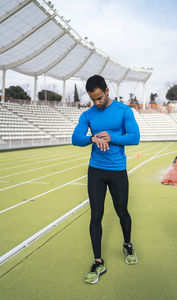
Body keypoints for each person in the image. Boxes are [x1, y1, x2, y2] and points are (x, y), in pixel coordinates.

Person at [72, 75, 140, 284]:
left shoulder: (123, 110)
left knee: (122, 212)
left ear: (107, 91)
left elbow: (135, 137)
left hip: (117, 170)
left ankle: (127, 244)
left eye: (100, 98)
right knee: (96, 214)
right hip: (96, 171)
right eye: (94, 100)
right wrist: (91, 138)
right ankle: (98, 261)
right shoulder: (88, 115)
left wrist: (113, 138)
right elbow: (76, 138)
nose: (98, 103)